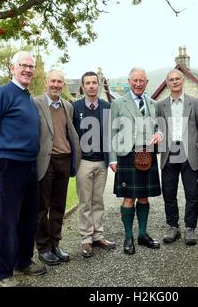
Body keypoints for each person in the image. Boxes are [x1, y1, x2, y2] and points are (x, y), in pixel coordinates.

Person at [0, 51, 46, 287]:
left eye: (31, 66)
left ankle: (23, 261)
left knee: (29, 216)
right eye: (23, 65)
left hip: (29, 164)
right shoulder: (2, 94)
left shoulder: (27, 97)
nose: (28, 69)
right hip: (10, 164)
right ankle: (3, 272)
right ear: (12, 67)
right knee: (7, 218)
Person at [109, 67, 162, 255]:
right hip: (127, 156)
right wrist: (112, 159)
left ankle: (142, 234)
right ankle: (128, 237)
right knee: (129, 197)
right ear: (129, 81)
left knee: (144, 196)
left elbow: (158, 127)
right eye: (135, 81)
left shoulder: (152, 103)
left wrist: (159, 133)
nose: (138, 84)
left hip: (147, 155)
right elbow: (111, 132)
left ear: (146, 82)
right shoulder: (118, 103)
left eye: (142, 81)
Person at [34, 69, 81, 266]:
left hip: (64, 160)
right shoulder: (35, 104)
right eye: (53, 81)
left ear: (63, 85)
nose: (56, 85)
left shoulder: (68, 106)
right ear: (46, 82)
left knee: (58, 206)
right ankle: (43, 248)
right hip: (45, 160)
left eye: (59, 82)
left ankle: (55, 244)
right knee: (41, 207)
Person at [157, 69, 198, 245]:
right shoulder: (160, 105)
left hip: (189, 152)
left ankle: (190, 228)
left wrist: (197, 147)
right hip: (169, 152)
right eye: (171, 80)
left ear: (182, 81)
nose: (175, 82)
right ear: (167, 83)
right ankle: (173, 227)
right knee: (169, 193)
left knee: (192, 194)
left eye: (177, 79)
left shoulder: (195, 103)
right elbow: (158, 127)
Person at [72, 71, 115, 258]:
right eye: (87, 83)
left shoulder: (107, 107)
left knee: (98, 201)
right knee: (85, 202)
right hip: (84, 162)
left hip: (101, 162)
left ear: (98, 85)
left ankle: (98, 235)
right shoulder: (75, 107)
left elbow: (112, 135)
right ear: (83, 86)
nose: (91, 86)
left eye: (94, 82)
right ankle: (86, 239)